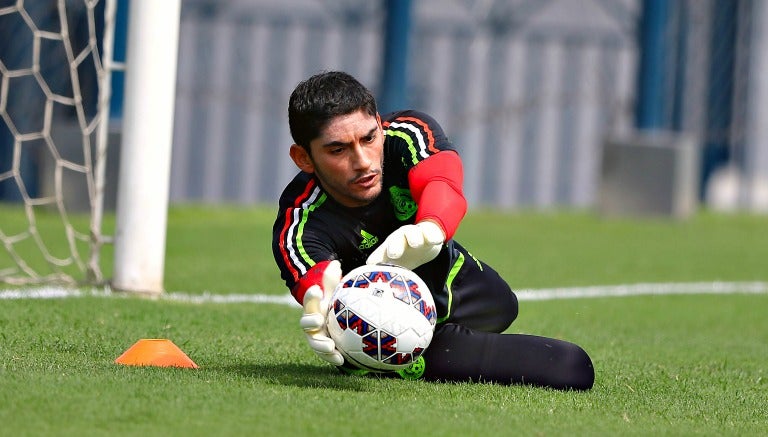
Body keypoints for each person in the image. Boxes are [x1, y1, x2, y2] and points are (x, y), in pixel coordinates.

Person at [272, 71, 594, 390]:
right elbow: (314, 279)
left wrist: (432, 228)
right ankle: (381, 364)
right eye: (338, 150)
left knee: (503, 304)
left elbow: (443, 178)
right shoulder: (299, 219)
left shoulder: (406, 132)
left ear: (380, 126)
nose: (363, 162)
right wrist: (321, 300)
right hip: (389, 331)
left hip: (444, 277)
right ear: (304, 158)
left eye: (369, 139)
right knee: (571, 366)